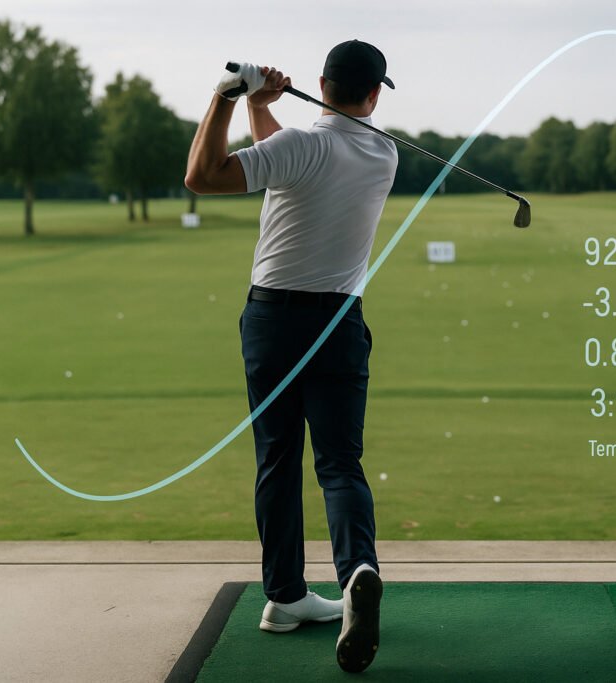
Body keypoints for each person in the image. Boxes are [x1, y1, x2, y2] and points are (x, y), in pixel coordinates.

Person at [184, 40, 397, 674]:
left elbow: (203, 175)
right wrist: (260, 105)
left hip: (274, 321)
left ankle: (282, 596)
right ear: (374, 94)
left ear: (323, 82)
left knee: (277, 457)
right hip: (337, 323)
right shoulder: (382, 152)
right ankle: (357, 568)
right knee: (339, 463)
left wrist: (226, 98)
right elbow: (295, 156)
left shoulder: (300, 146)